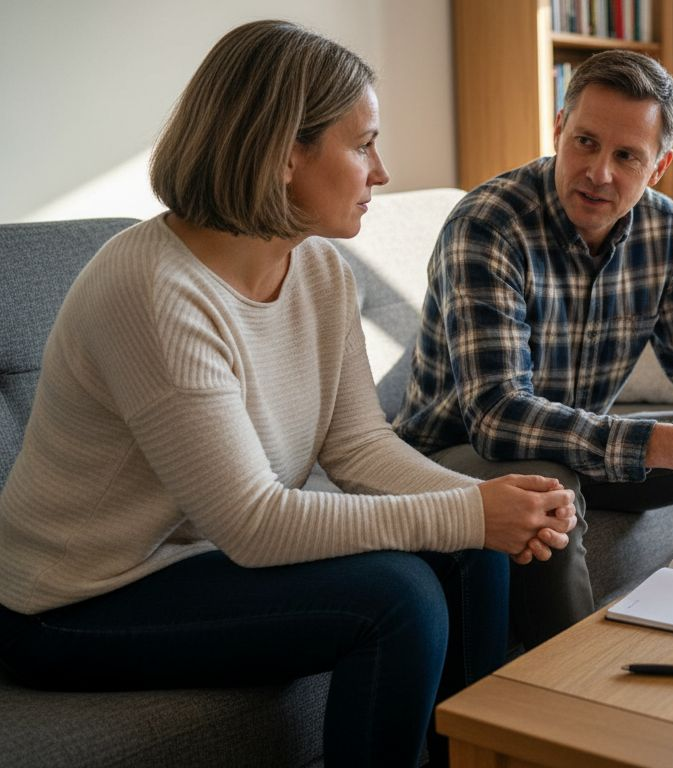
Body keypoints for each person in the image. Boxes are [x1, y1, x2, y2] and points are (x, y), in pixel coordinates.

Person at [0, 20, 576, 767]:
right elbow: (254, 523)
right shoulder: (152, 291)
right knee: (399, 594)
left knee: (478, 555)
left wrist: (493, 511)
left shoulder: (319, 271)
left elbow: (357, 445)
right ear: (283, 154)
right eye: (362, 142)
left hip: (188, 559)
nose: (383, 171)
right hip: (70, 604)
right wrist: (469, 509)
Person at [394, 50, 673, 648]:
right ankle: (574, 684)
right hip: (453, 454)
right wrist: (661, 443)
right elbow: (495, 415)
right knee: (549, 487)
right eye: (585, 143)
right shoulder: (489, 224)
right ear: (559, 131)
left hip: (577, 447)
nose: (598, 172)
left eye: (626, 156)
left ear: (659, 165)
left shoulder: (667, 230)